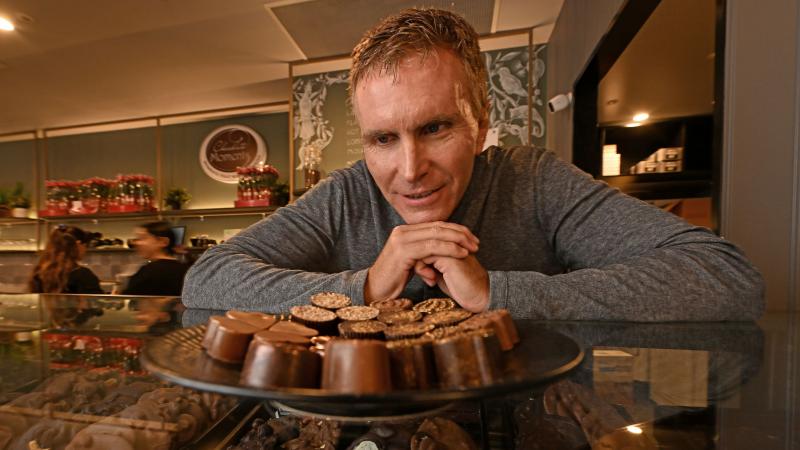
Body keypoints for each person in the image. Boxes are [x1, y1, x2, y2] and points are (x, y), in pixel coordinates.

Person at [183, 8, 764, 321]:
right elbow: (206, 278)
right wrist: (367, 285)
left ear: (481, 124)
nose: (410, 169)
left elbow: (726, 279)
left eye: (435, 128)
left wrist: (495, 293)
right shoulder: (345, 195)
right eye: (383, 138)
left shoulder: (532, 181)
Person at [29, 225, 103, 294]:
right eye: (85, 245)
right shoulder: (82, 275)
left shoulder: (38, 272)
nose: (85, 250)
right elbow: (94, 302)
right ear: (78, 244)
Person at [122, 221, 189, 296]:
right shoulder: (185, 270)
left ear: (163, 242)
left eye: (142, 238)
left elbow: (128, 298)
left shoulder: (150, 271)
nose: (136, 243)